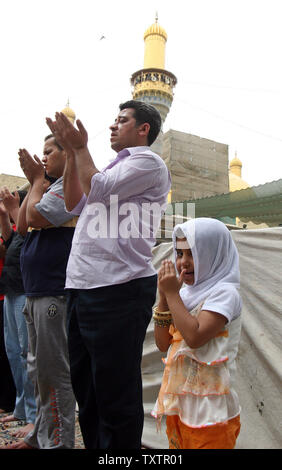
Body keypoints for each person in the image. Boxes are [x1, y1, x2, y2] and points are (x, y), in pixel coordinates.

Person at [46, 100, 171, 449]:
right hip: (84, 286)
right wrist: (72, 153)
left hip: (118, 287)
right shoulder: (112, 169)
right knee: (87, 390)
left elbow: (98, 189)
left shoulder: (147, 162)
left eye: (122, 121)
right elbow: (73, 202)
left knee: (115, 393)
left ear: (143, 129)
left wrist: (81, 147)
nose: (113, 126)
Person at [4, 134, 76, 449]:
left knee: (53, 372)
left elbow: (34, 217)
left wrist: (35, 180)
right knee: (36, 368)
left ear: (67, 153)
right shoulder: (46, 186)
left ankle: (58, 443)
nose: (43, 157)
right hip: (36, 290)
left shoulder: (69, 187)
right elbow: (22, 226)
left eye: (49, 151)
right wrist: (34, 183)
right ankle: (39, 437)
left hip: (53, 292)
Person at [152, 218, 242, 449]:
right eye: (179, 254)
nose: (183, 262)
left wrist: (172, 295)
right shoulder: (185, 293)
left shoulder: (225, 293)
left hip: (212, 411)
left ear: (213, 253)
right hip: (182, 404)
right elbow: (163, 343)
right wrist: (163, 298)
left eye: (192, 254)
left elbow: (195, 337)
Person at [0, 189, 36, 438]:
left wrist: (14, 209)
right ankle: (21, 408)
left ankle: (34, 416)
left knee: (27, 355)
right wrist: (4, 215)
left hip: (25, 293)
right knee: (13, 352)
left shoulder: (34, 224)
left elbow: (25, 233)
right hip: (10, 292)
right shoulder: (17, 228)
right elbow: (10, 238)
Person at [0, 241, 16, 415]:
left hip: (7, 292)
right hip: (8, 291)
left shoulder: (12, 230)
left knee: (10, 351)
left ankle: (8, 400)